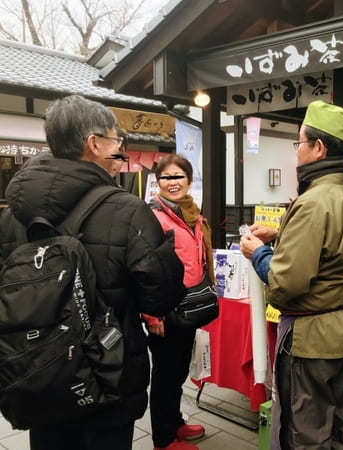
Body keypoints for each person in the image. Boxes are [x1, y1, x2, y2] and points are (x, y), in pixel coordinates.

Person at [0, 95, 186, 450]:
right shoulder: (128, 211)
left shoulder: (13, 214)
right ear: (94, 144)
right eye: (117, 142)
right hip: (107, 375)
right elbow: (161, 295)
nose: (120, 150)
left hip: (39, 372)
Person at [240, 100, 343, 449]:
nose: (296, 150)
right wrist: (280, 233)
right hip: (342, 328)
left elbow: (285, 284)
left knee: (306, 431)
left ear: (318, 148)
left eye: (298, 142)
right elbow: (329, 250)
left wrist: (259, 254)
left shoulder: (312, 202)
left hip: (310, 339)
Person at [142, 154, 214, 450]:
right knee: (165, 374)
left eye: (178, 176)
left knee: (179, 369)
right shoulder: (151, 216)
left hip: (188, 306)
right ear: (157, 182)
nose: (173, 183)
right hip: (165, 309)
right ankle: (163, 439)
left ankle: (175, 423)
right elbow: (143, 267)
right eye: (166, 178)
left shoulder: (191, 213)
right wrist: (152, 315)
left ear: (189, 180)